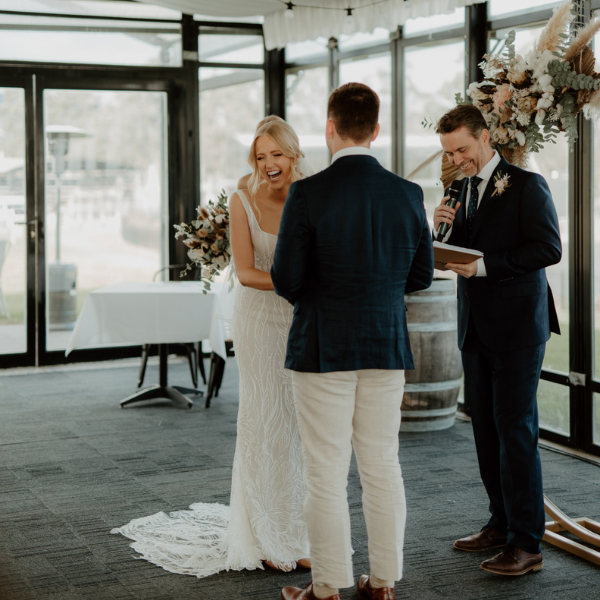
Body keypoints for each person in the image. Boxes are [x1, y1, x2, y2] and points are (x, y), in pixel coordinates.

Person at [111, 115, 311, 576]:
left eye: (277, 154)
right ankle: (264, 535)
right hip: (260, 320)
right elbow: (245, 272)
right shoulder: (243, 196)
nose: (269, 164)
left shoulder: (313, 192)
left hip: (304, 322)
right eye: (261, 157)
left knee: (300, 426)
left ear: (294, 153)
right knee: (264, 422)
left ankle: (299, 533)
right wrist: (304, 286)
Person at [271, 82, 434, 600]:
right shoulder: (408, 193)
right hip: (385, 345)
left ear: (330, 127)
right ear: (376, 130)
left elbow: (286, 280)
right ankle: (382, 584)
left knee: (326, 471)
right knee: (382, 464)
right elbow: (422, 275)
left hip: (323, 347)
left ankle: (328, 588)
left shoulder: (309, 192)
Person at [433, 104, 561, 576]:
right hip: (475, 326)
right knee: (485, 429)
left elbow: (549, 248)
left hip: (518, 329)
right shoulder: (457, 188)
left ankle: (527, 543)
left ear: (485, 137)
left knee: (516, 432)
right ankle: (500, 522)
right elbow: (455, 252)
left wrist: (485, 266)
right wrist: (439, 229)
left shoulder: (528, 185)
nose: (457, 159)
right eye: (449, 152)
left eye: (462, 149)